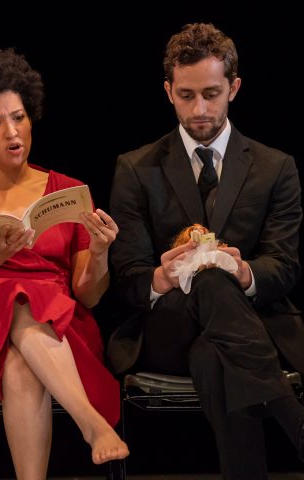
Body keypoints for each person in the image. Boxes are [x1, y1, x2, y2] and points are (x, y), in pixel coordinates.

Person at [0, 47, 129, 479]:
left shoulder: (68, 191)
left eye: (19, 117)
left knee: (21, 363)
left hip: (61, 330)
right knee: (13, 292)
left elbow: (88, 293)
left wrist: (102, 251)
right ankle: (90, 423)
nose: (12, 132)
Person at [108, 22, 304, 479]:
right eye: (187, 95)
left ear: (234, 88)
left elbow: (284, 264)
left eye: (212, 94)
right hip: (168, 326)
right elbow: (127, 275)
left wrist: (245, 274)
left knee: (213, 352)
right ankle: (295, 422)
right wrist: (158, 277)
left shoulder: (276, 167)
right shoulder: (136, 168)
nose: (199, 108)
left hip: (246, 326)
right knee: (207, 277)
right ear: (168, 90)